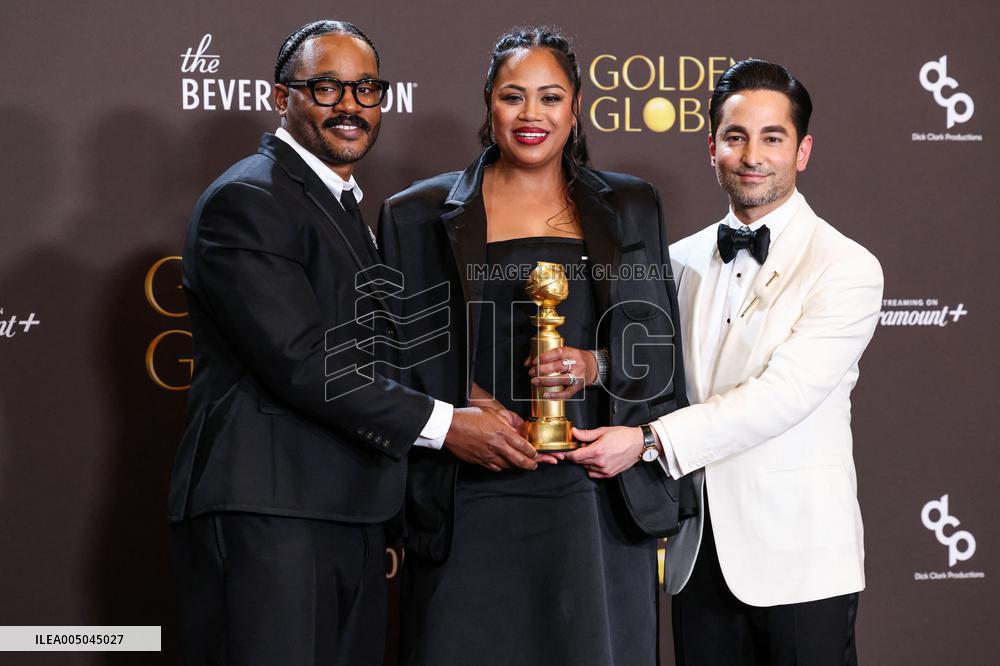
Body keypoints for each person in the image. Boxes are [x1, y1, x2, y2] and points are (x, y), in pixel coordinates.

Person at [167, 20, 538, 666]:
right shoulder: (249, 199)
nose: (351, 106)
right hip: (271, 515)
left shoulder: (339, 206)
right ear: (281, 98)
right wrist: (447, 423)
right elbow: (302, 361)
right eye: (327, 87)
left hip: (349, 514)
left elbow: (368, 349)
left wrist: (463, 396)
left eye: (366, 89)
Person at [378, 27, 692, 666]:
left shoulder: (629, 205)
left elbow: (655, 347)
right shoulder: (416, 212)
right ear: (488, 104)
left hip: (591, 496)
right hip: (469, 490)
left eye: (550, 98)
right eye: (512, 97)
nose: (531, 116)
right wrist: (464, 401)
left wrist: (592, 364)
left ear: (576, 108)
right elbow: (392, 354)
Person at [573, 59, 884, 665]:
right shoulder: (678, 259)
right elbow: (662, 365)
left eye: (773, 137)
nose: (752, 156)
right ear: (711, 146)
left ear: (803, 150)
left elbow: (782, 395)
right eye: (736, 137)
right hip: (697, 551)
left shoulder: (847, 266)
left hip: (801, 563)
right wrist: (596, 366)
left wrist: (648, 439)